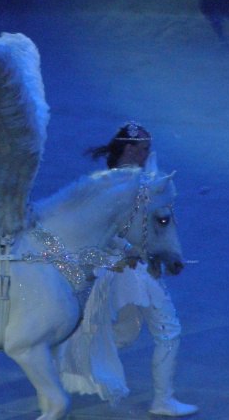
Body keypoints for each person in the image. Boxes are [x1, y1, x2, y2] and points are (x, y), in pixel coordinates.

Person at [66, 122, 198, 417]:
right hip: (132, 270)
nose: (148, 154)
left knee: (124, 333)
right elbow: (100, 228)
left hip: (125, 270)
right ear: (129, 148)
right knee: (168, 330)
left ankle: (73, 353)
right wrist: (133, 252)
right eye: (144, 149)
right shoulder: (113, 185)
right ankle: (163, 399)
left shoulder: (132, 181)